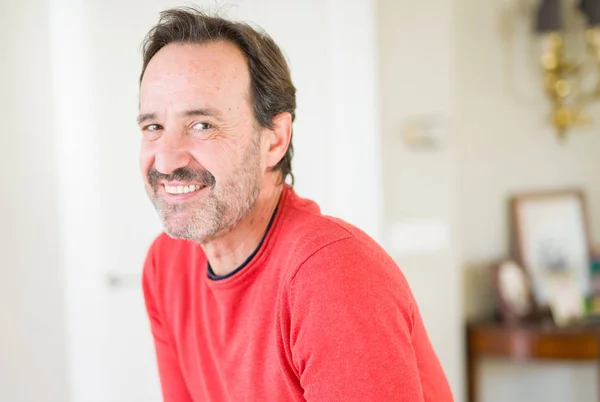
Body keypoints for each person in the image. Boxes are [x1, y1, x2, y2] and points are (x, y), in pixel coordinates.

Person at [138, 7, 453, 402]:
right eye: (153, 127)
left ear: (274, 140)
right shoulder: (165, 264)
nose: (166, 160)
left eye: (202, 125)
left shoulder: (331, 277)